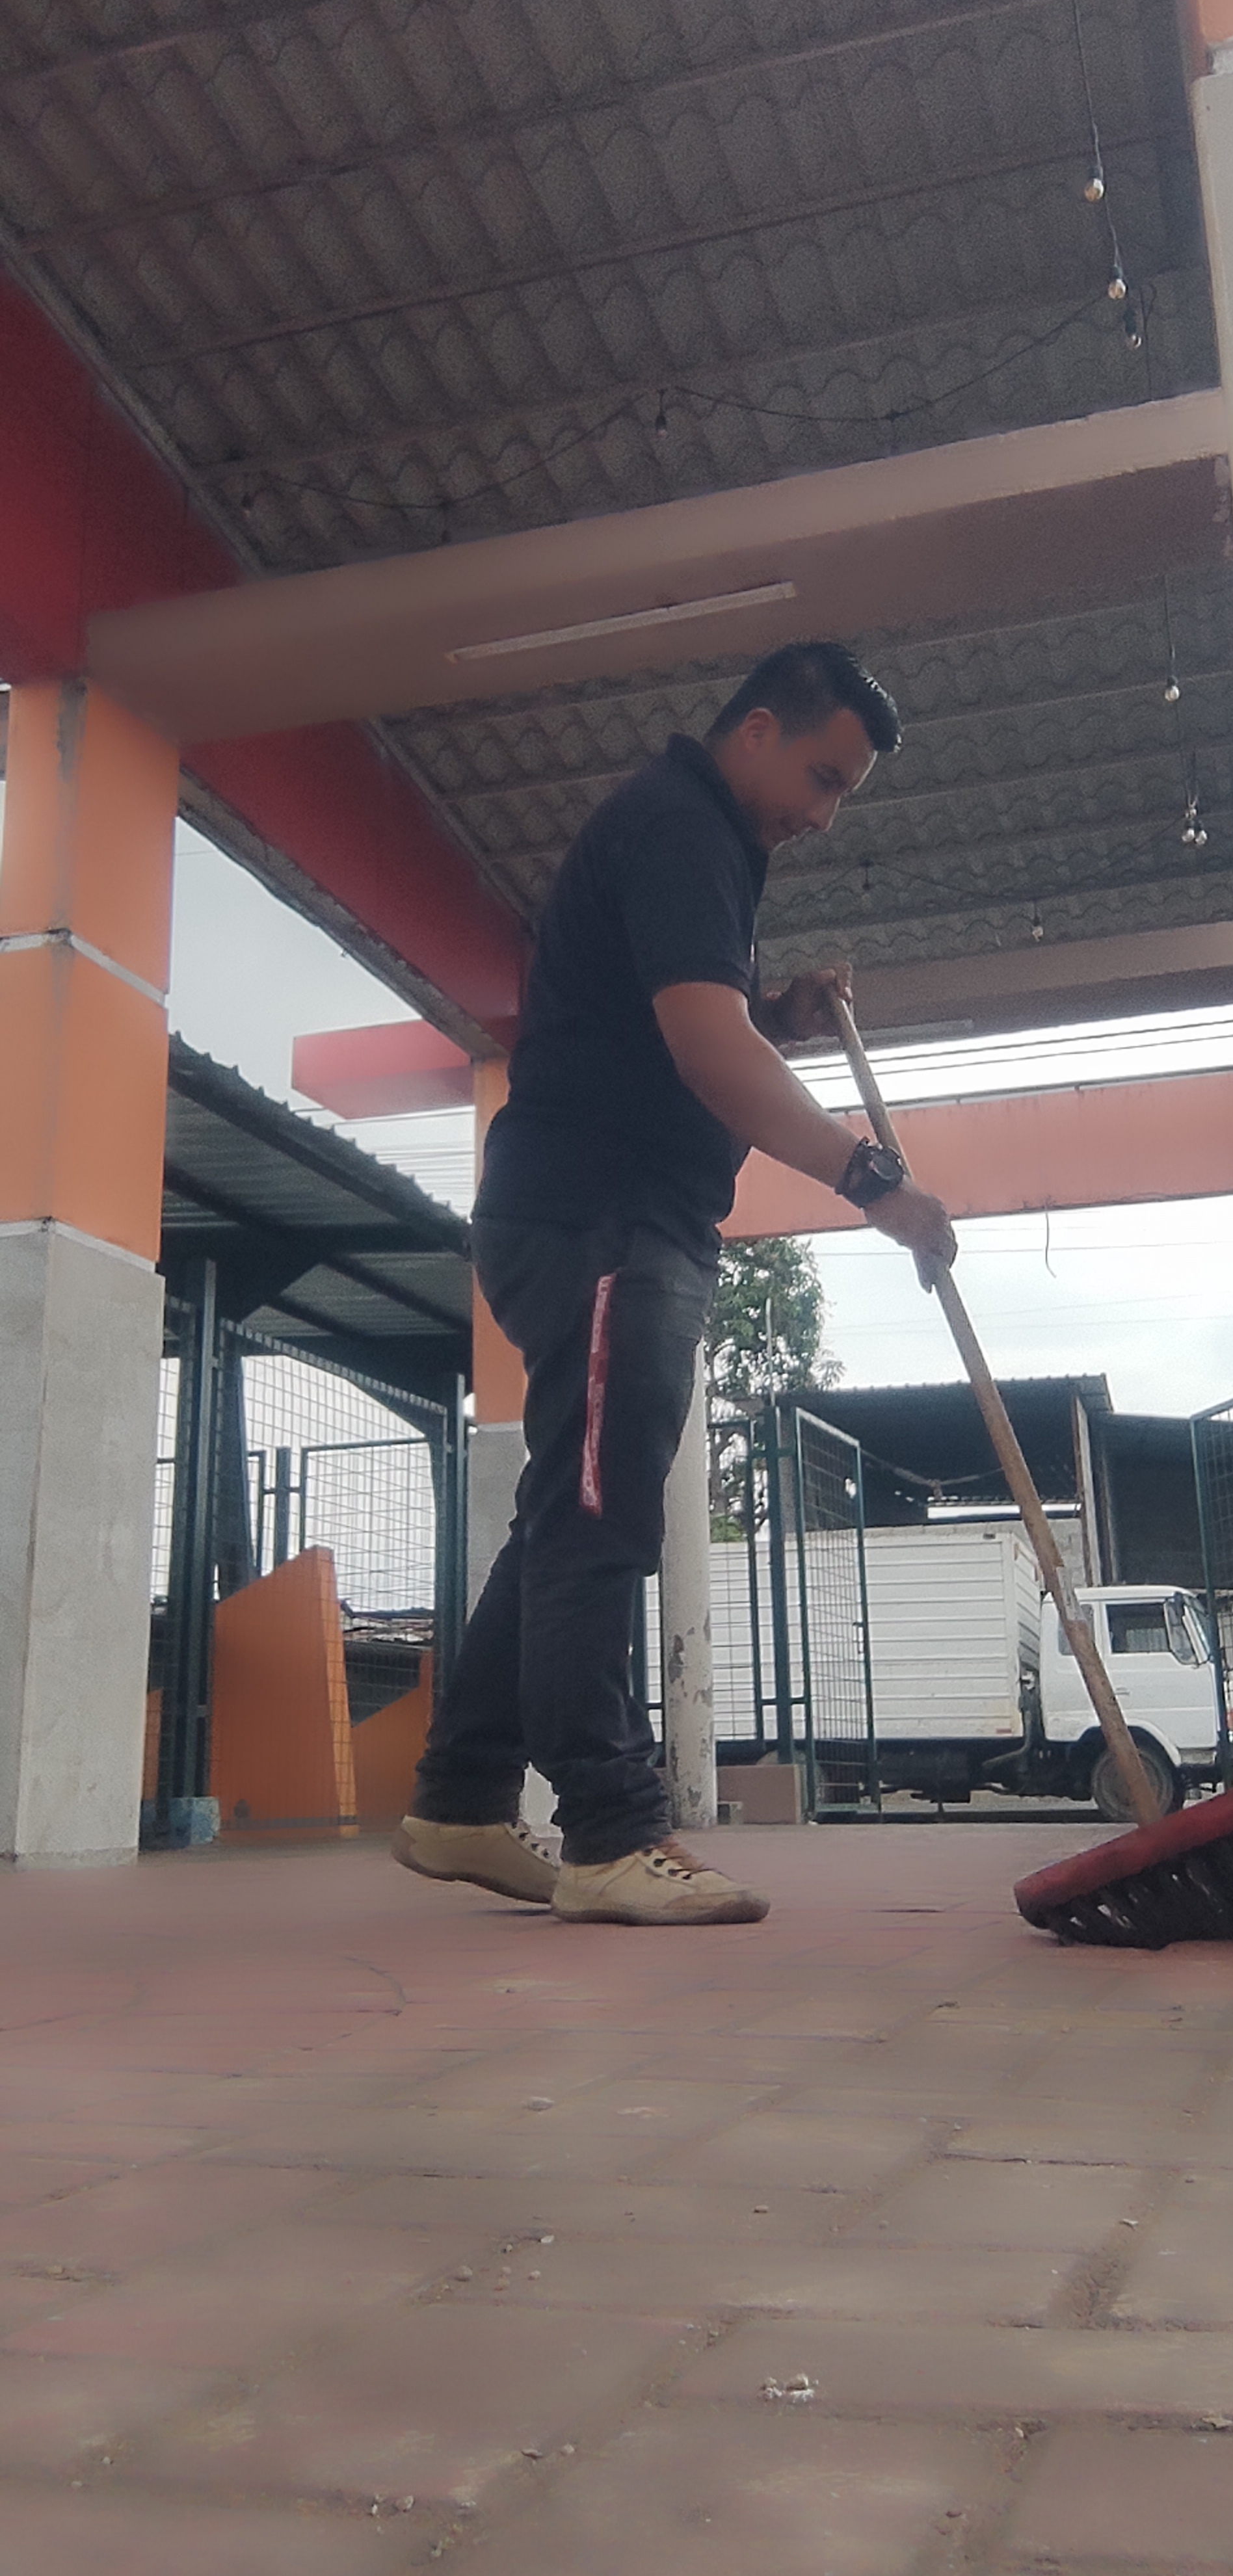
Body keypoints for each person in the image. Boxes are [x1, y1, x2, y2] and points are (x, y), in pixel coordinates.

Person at [397, 640, 956, 1925]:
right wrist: (870, 1178)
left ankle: (462, 1800)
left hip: (599, 1212)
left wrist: (780, 1011)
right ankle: (609, 1834)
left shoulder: (702, 839)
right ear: (756, 730)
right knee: (600, 1516)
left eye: (843, 793)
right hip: (605, 1220)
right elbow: (707, 1050)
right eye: (822, 778)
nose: (824, 815)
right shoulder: (681, 826)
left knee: (569, 1506)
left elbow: (674, 1015)